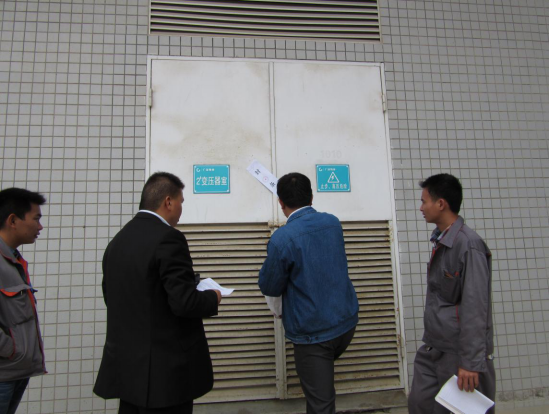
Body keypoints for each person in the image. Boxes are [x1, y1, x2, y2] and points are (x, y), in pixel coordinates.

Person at [93, 172, 222, 414]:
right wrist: (212, 296)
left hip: (129, 372)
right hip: (165, 376)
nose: (181, 209)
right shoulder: (168, 238)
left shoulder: (118, 241)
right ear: (168, 202)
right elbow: (184, 303)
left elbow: (112, 297)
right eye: (181, 202)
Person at [258, 172, 358, 414]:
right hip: (346, 323)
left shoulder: (282, 239)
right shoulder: (333, 223)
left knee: (321, 404)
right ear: (311, 197)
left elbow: (270, 286)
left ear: (280, 202)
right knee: (321, 392)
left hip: (314, 335)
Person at [408, 173, 495, 414]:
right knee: (419, 404)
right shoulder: (442, 241)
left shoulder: (469, 245)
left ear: (441, 204)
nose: (421, 208)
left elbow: (476, 307)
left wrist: (470, 362)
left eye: (424, 201)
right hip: (434, 348)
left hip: (458, 355)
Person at [0, 188, 47, 414]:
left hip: (15, 372)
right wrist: (12, 350)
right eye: (36, 219)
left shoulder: (13, 259)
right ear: (12, 221)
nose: (40, 227)